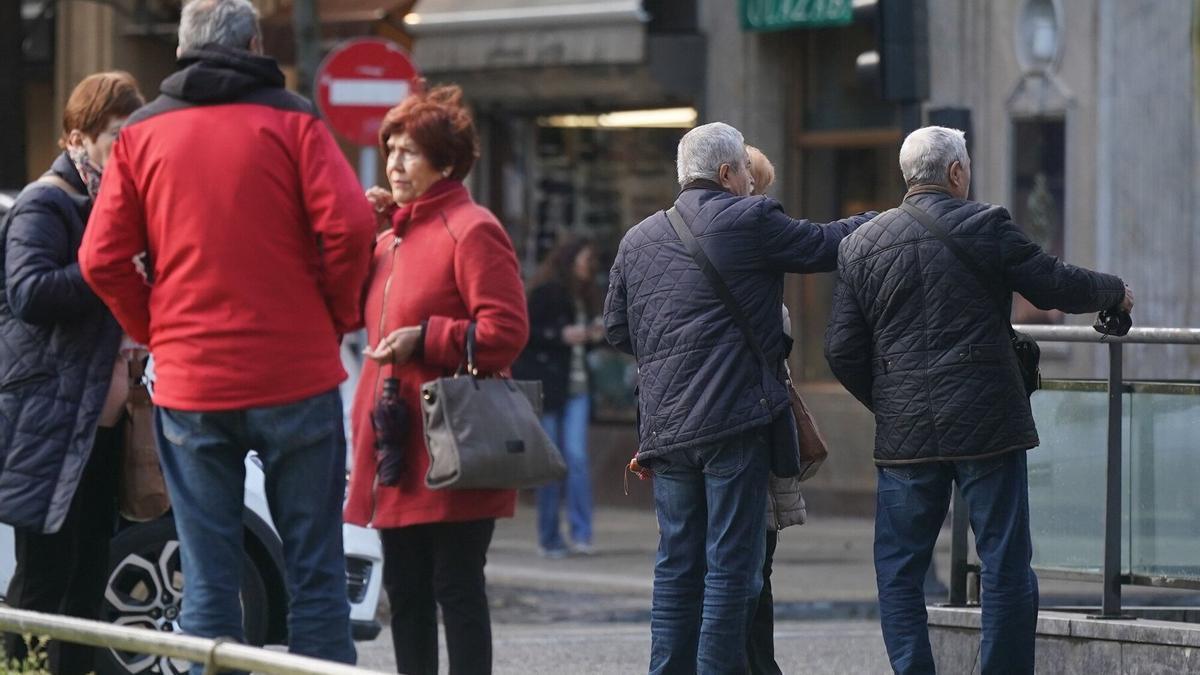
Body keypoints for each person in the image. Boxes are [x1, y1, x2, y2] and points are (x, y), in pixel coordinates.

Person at [78, 0, 375, 671]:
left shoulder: (142, 135)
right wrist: (333, 315)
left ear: (183, 49)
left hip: (192, 381)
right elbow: (352, 227)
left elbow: (100, 257)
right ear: (253, 41)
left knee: (209, 585)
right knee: (315, 578)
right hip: (295, 373)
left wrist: (153, 325)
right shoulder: (294, 119)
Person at [824, 126, 1135, 675]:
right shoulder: (985, 224)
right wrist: (1114, 291)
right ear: (956, 173)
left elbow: (842, 348)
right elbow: (1053, 284)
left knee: (898, 569)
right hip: (987, 421)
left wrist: (895, 398)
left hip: (906, 435)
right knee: (1004, 561)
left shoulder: (859, 244)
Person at [604, 122, 873, 674]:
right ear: (727, 173)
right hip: (733, 422)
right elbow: (826, 244)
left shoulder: (637, 239)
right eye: (748, 173)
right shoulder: (751, 219)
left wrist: (674, 349)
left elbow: (617, 330)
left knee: (677, 566)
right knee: (733, 568)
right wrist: (891, 218)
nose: (753, 182)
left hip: (666, 430)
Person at [344, 84, 529, 675]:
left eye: (410, 151)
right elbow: (348, 312)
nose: (395, 162)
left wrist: (427, 338)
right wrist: (362, 234)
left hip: (454, 442)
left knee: (456, 589)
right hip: (397, 443)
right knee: (408, 595)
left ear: (445, 163)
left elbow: (506, 329)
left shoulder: (472, 229)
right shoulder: (389, 238)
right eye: (390, 148)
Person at [0, 71, 144, 675]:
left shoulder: (118, 205)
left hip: (99, 421)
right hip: (48, 418)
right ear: (77, 138)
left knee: (87, 580)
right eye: (116, 136)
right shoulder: (48, 201)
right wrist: (106, 270)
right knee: (43, 582)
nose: (126, 148)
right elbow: (28, 292)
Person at [743, 145, 807, 675]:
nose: (760, 197)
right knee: (751, 569)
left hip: (698, 430)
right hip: (752, 430)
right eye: (756, 186)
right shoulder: (751, 246)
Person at [514, 236, 604, 559]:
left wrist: (592, 336)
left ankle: (581, 533)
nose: (587, 267)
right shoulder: (546, 292)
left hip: (577, 387)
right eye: (583, 260)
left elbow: (582, 345)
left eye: (590, 262)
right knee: (551, 462)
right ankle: (549, 535)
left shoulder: (586, 295)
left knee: (577, 460)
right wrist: (560, 336)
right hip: (551, 387)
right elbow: (526, 334)